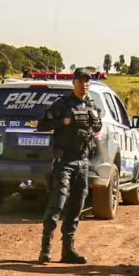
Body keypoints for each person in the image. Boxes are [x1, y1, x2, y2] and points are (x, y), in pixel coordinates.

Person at [37, 69, 103, 264]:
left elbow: (97, 128)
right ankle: (46, 249)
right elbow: (41, 125)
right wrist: (62, 122)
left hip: (83, 161)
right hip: (64, 161)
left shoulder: (91, 104)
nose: (84, 84)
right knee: (57, 204)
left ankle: (68, 250)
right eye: (81, 81)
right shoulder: (62, 103)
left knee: (77, 206)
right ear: (74, 83)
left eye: (87, 81)